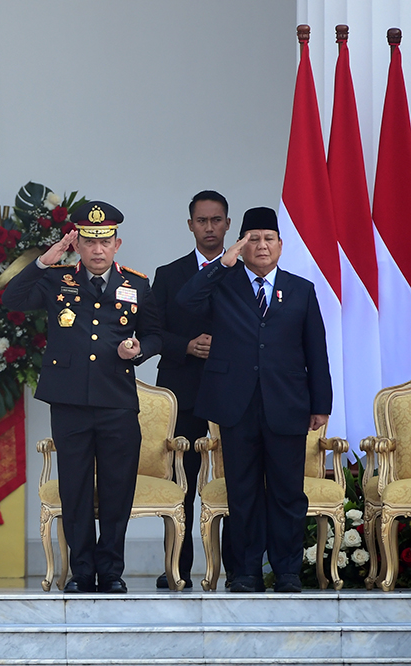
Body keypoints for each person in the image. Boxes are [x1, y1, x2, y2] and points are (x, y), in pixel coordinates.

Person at [2, 200, 162, 594]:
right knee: (74, 488)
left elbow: (159, 334)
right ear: (78, 245)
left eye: (104, 241)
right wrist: (45, 259)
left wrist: (138, 349)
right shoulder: (57, 280)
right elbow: (11, 299)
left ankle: (111, 571)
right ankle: (81, 572)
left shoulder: (137, 284)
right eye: (89, 242)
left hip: (117, 402)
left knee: (115, 488)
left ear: (117, 243)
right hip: (70, 402)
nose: (97, 250)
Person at [177, 206, 331, 593]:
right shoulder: (223, 284)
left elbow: (316, 350)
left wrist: (321, 404)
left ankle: (287, 572)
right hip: (237, 403)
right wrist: (222, 264)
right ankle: (244, 572)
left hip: (288, 403)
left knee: (287, 493)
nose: (262, 246)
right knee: (242, 491)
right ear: (241, 245)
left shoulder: (301, 289)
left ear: (280, 245)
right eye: (253, 239)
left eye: (268, 239)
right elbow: (185, 300)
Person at [151, 190, 236, 589]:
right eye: (201, 221)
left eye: (216, 220)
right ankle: (177, 570)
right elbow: (150, 333)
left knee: (237, 482)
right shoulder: (169, 275)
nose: (209, 228)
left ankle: (241, 570)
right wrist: (185, 345)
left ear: (228, 224)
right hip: (183, 390)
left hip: (234, 390)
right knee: (180, 485)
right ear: (190, 225)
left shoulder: (244, 271)